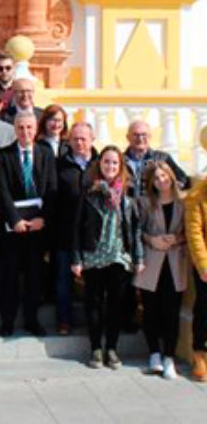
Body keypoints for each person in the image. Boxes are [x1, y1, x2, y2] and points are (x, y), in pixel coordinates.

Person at [71, 146, 144, 370]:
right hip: (93, 255)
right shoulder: (88, 192)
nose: (110, 167)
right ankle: (95, 348)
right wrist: (76, 259)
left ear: (120, 166)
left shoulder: (128, 193)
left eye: (114, 163)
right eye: (106, 162)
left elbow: (135, 228)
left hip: (119, 256)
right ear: (99, 164)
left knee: (115, 304)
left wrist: (138, 257)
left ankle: (111, 348)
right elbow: (76, 228)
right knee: (93, 303)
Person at [0, 111, 57, 337]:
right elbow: (2, 191)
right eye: (21, 128)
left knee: (34, 276)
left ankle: (32, 320)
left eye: (29, 127)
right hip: (13, 228)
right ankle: (8, 321)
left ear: (36, 129)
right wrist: (15, 220)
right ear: (15, 129)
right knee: (9, 275)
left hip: (38, 227)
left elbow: (52, 188)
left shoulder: (46, 153)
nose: (25, 132)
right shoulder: (3, 155)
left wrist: (44, 218)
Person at [134, 162, 188, 379]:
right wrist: (152, 239)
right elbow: (138, 230)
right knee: (151, 311)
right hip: (151, 261)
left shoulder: (183, 202)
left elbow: (190, 229)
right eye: (156, 178)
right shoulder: (145, 202)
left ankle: (169, 357)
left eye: (164, 176)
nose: (161, 181)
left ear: (171, 176)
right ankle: (154, 353)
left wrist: (177, 238)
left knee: (171, 313)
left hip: (175, 262)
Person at [53, 122, 97, 335]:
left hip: (94, 235)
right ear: (68, 141)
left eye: (83, 139)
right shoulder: (59, 165)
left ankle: (95, 322)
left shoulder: (101, 164)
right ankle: (64, 321)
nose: (79, 143)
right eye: (75, 139)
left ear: (92, 139)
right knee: (64, 280)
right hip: (65, 232)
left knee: (95, 283)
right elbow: (51, 196)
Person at [123, 120, 190, 198]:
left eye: (144, 134)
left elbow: (183, 180)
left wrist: (168, 189)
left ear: (150, 137)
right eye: (136, 135)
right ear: (128, 137)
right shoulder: (119, 160)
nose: (140, 138)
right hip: (127, 208)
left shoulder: (163, 158)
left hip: (155, 207)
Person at [185, 177, 207, 381]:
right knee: (204, 308)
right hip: (206, 265)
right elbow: (194, 234)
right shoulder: (197, 196)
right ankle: (199, 353)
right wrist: (203, 265)